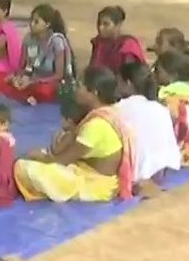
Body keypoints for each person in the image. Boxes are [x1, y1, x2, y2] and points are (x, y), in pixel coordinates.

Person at [13, 66, 137, 203]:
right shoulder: (110, 113)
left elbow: (62, 160)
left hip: (96, 186)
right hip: (90, 173)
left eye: (80, 86)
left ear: (93, 93)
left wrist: (41, 157)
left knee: (23, 167)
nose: (76, 90)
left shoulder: (95, 125)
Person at [0, 3, 74, 105]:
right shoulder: (29, 39)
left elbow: (59, 75)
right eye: (31, 21)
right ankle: (29, 97)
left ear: (47, 24)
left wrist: (33, 81)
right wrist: (18, 78)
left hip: (50, 82)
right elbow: (22, 66)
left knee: (43, 90)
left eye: (36, 22)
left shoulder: (56, 42)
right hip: (32, 79)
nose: (32, 24)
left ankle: (29, 96)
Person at [115, 62, 183, 185]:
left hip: (135, 174)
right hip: (161, 171)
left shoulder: (118, 108)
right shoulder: (160, 108)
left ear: (128, 83)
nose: (116, 86)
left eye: (119, 82)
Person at [152, 52, 189, 169]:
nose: (154, 73)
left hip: (176, 158)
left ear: (172, 75)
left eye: (158, 70)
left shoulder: (165, 93)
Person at [89, 5, 146, 74]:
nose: (100, 27)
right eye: (99, 23)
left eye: (106, 24)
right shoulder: (99, 42)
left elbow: (129, 76)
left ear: (118, 25)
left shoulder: (129, 46)